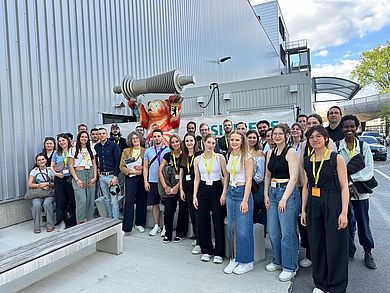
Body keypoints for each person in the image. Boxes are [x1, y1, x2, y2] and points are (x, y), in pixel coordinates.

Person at [301, 125, 349, 293]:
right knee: (317, 244)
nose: (315, 139)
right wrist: (303, 210)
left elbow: (344, 187)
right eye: (311, 137)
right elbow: (306, 186)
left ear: (326, 138)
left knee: (335, 245)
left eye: (318, 136)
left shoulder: (336, 158)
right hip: (314, 204)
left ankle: (336, 286)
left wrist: (344, 212)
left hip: (333, 201)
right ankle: (320, 284)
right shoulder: (307, 160)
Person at [336, 115, 377, 270]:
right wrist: (347, 185)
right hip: (343, 193)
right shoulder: (336, 146)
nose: (349, 130)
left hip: (361, 194)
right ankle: (348, 252)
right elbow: (335, 169)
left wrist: (351, 180)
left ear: (357, 127)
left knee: (363, 223)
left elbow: (369, 170)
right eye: (346, 127)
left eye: (352, 126)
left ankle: (368, 251)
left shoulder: (363, 146)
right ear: (341, 129)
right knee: (344, 224)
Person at [264, 124, 300, 282]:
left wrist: (284, 198)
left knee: (287, 233)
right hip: (272, 193)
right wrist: (265, 194)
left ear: (286, 135)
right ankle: (278, 261)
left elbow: (294, 178)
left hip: (286, 193)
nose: (277, 136)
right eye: (274, 134)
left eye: (280, 134)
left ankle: (290, 266)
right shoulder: (270, 152)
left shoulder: (291, 152)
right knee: (273, 231)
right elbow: (267, 175)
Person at [193, 133, 228, 263]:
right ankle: (206, 250)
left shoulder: (220, 158)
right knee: (203, 221)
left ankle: (219, 252)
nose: (211, 145)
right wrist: (194, 196)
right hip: (202, 189)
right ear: (204, 143)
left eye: (213, 143)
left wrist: (224, 193)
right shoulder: (198, 159)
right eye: (209, 143)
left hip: (217, 188)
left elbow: (226, 175)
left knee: (218, 220)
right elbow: (196, 178)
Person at [224, 131, 255, 275]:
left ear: (242, 141)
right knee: (232, 227)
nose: (234, 142)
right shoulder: (230, 155)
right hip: (231, 192)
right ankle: (235, 257)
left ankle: (247, 261)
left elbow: (249, 180)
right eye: (232, 140)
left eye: (237, 140)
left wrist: (245, 200)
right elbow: (228, 175)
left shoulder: (247, 157)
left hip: (243, 192)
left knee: (244, 229)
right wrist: (224, 193)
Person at [158, 134, 188, 243]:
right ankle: (168, 234)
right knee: (168, 211)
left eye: (177, 141)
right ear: (170, 144)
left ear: (180, 142)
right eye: (173, 142)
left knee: (183, 211)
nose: (175, 144)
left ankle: (180, 234)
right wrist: (166, 186)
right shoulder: (167, 155)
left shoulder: (185, 155)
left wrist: (177, 187)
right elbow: (160, 171)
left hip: (182, 186)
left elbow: (185, 173)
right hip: (169, 187)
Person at [289, 122, 311, 268]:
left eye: (298, 129)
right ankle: (299, 250)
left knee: (306, 222)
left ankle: (310, 254)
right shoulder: (288, 146)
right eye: (293, 129)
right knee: (296, 221)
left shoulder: (304, 145)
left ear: (302, 132)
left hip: (303, 185)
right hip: (292, 187)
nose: (295, 131)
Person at [143, 129, 170, 236]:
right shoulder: (148, 151)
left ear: (162, 137)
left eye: (159, 136)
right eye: (154, 136)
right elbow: (145, 167)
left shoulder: (168, 150)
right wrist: (146, 181)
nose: (157, 138)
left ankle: (165, 227)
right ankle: (156, 225)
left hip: (164, 181)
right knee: (155, 204)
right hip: (152, 181)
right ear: (152, 138)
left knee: (166, 205)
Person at [120, 131, 147, 235]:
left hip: (141, 177)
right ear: (130, 140)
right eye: (133, 138)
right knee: (129, 201)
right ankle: (127, 228)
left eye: (137, 138)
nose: (135, 140)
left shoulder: (145, 151)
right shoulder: (126, 151)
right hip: (130, 177)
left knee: (141, 200)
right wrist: (131, 171)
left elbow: (147, 165)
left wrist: (142, 168)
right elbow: (121, 166)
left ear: (140, 139)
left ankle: (140, 224)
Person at [179, 132, 202, 254]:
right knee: (192, 215)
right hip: (187, 189)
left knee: (198, 215)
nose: (189, 143)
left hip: (197, 189)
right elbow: (182, 173)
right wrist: (181, 189)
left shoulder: (200, 154)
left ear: (195, 142)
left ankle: (200, 241)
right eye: (187, 141)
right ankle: (198, 237)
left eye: (191, 141)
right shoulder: (183, 155)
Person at [68, 131, 98, 224]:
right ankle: (79, 221)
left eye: (86, 137)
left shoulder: (91, 148)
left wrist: (95, 177)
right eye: (82, 137)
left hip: (90, 173)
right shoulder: (73, 149)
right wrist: (77, 179)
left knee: (90, 199)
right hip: (79, 173)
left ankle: (88, 220)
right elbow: (70, 166)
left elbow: (94, 163)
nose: (84, 138)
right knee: (82, 200)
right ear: (78, 137)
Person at [51, 133, 76, 230]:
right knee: (61, 200)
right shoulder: (56, 153)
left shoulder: (73, 150)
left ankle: (72, 221)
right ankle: (62, 221)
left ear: (68, 141)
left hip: (70, 178)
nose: (61, 142)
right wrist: (56, 174)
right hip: (59, 179)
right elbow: (51, 166)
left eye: (63, 140)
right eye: (60, 141)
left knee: (72, 200)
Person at [94, 128, 121, 220]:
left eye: (103, 133)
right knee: (107, 199)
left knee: (114, 200)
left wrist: (116, 176)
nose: (102, 135)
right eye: (100, 134)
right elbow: (96, 161)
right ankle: (110, 218)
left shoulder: (113, 145)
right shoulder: (96, 147)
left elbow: (118, 161)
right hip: (102, 176)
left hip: (112, 176)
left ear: (106, 134)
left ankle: (116, 220)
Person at [28, 153, 56, 233]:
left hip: (49, 193)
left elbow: (56, 184)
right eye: (39, 160)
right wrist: (40, 185)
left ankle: (50, 225)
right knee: (36, 205)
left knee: (47, 204)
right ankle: (36, 226)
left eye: (43, 159)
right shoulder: (34, 171)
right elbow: (29, 184)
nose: (41, 161)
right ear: (37, 162)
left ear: (46, 160)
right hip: (37, 193)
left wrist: (47, 184)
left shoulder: (50, 170)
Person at [246, 130, 266, 224]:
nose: (252, 140)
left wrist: (250, 182)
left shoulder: (260, 153)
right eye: (250, 137)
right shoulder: (241, 152)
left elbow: (260, 175)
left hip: (255, 187)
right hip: (243, 186)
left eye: (254, 138)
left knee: (256, 209)